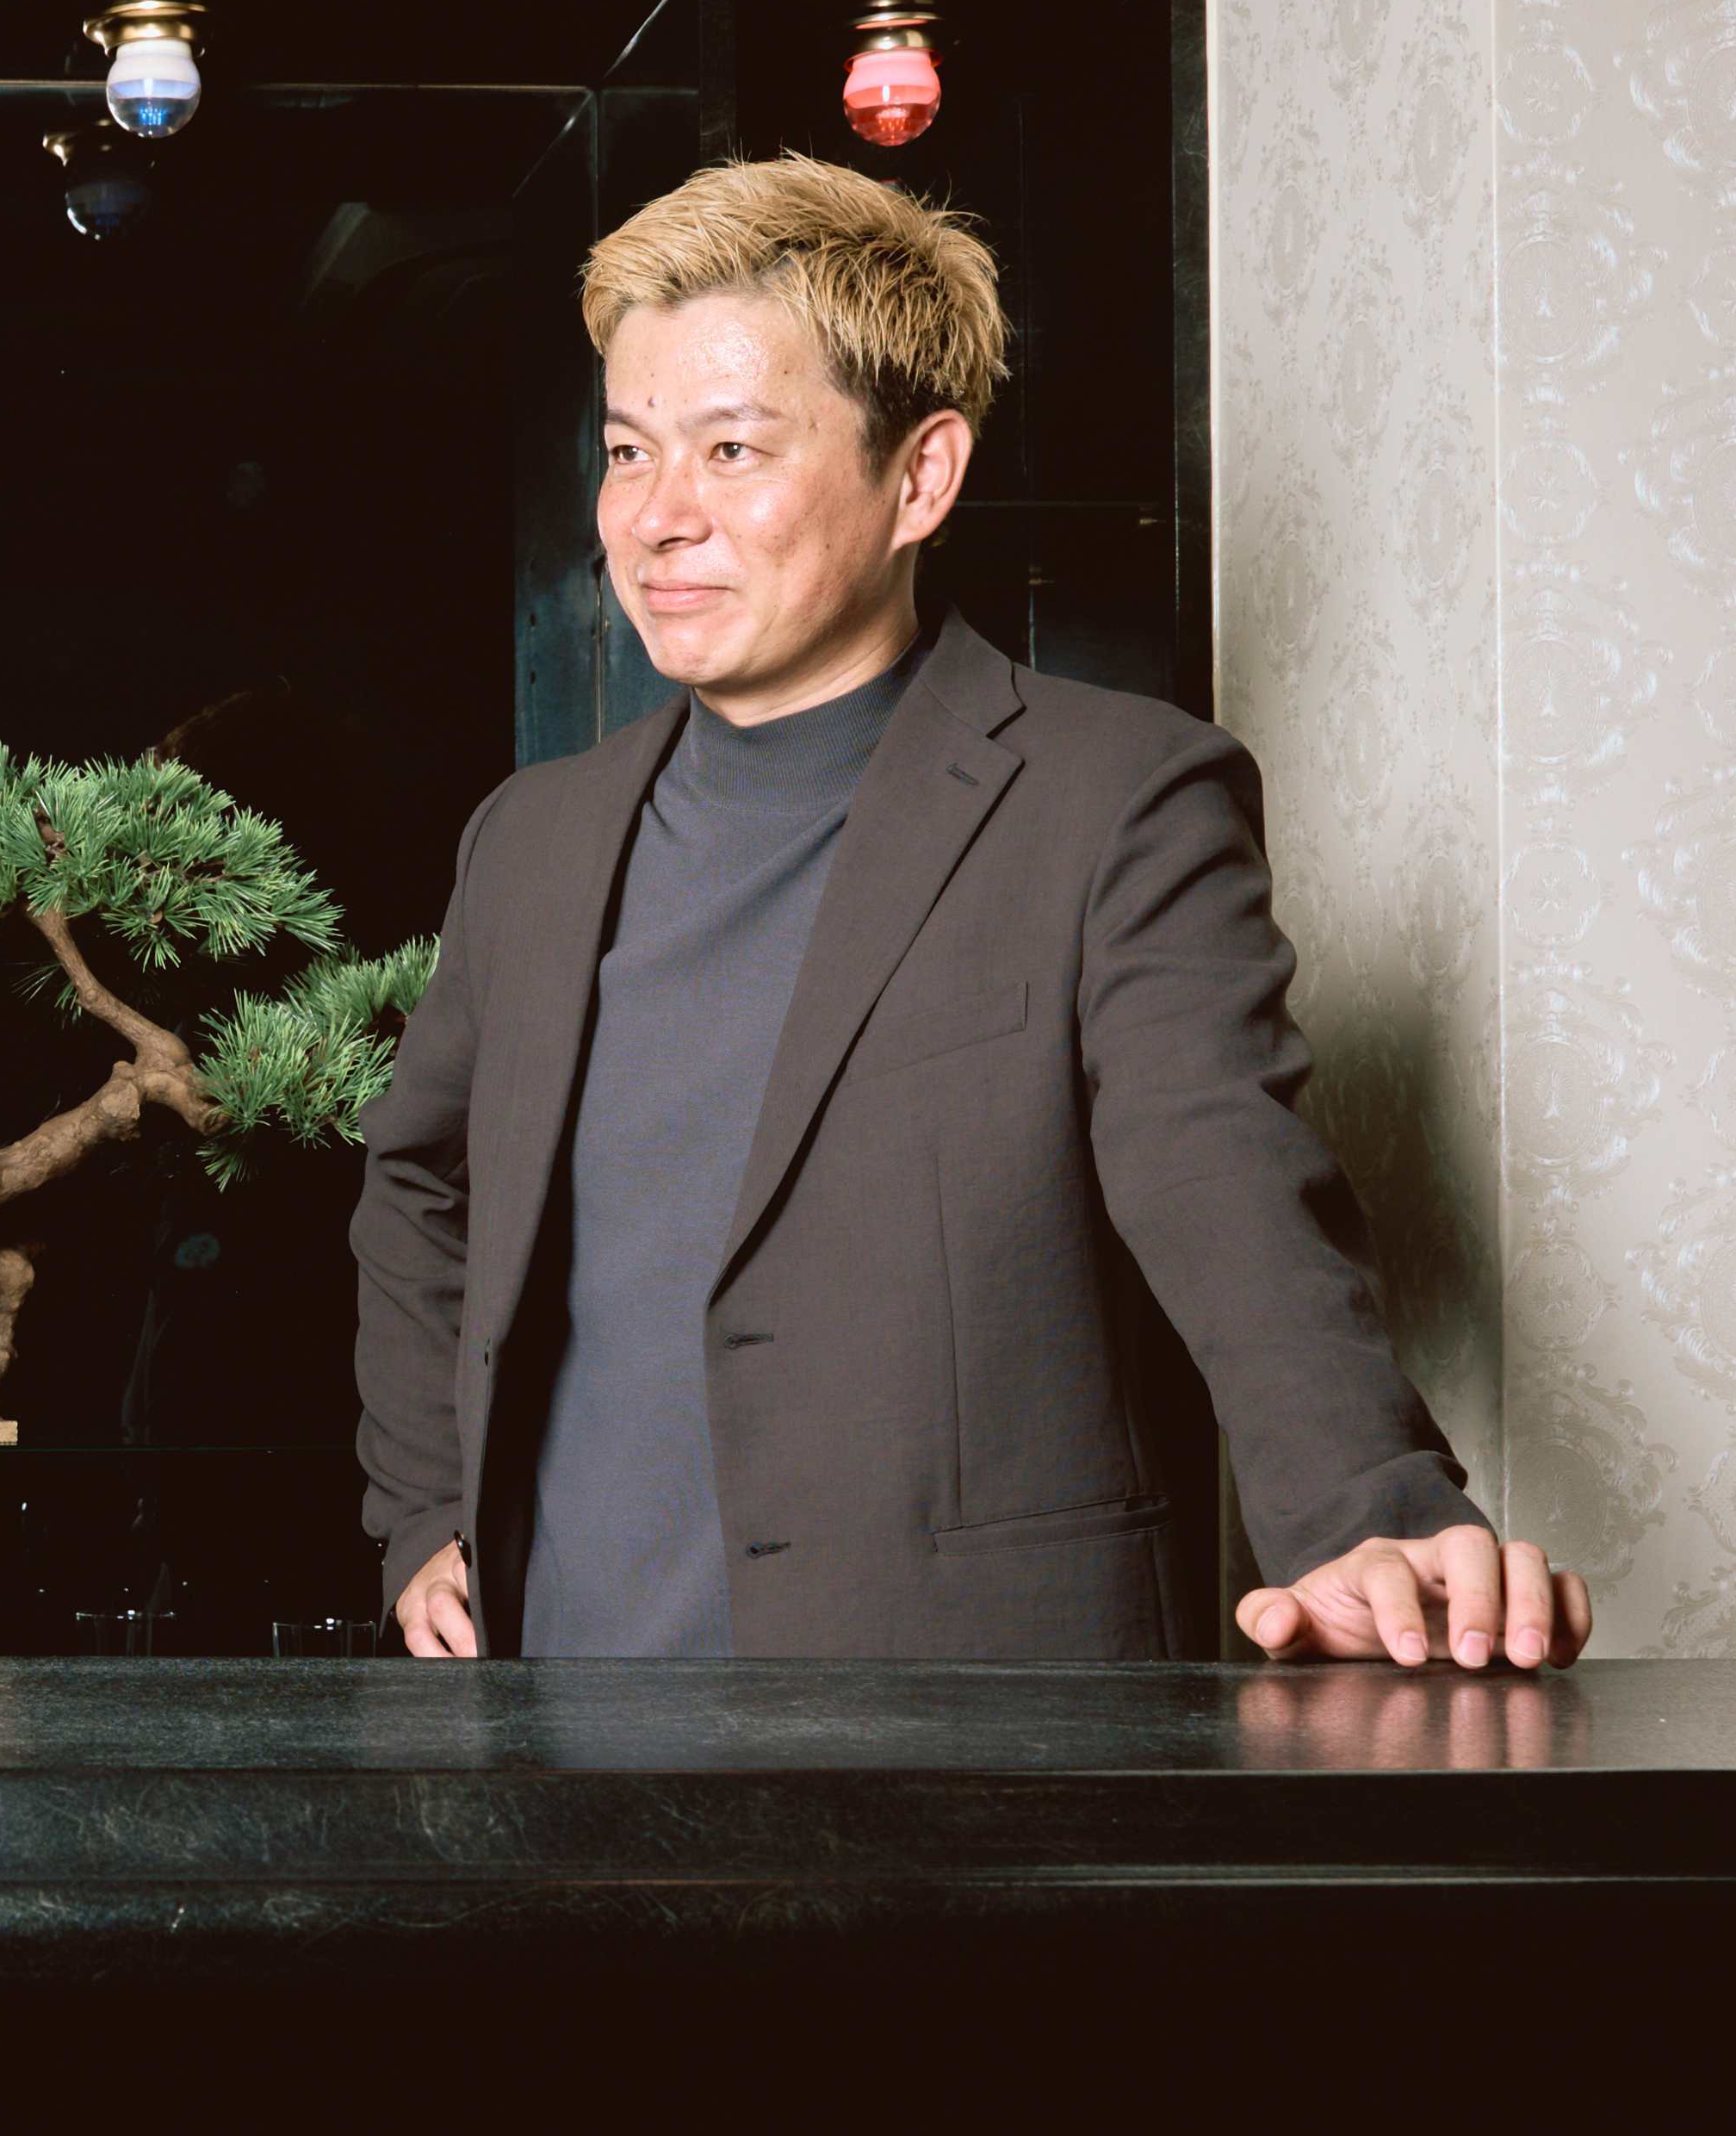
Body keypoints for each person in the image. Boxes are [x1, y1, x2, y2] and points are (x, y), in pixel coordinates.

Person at [351, 157, 1585, 1669]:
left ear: (922, 477)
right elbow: (419, 1186)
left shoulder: (1118, 800)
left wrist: (1365, 1509)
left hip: (970, 1707)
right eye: (626, 451)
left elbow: (1223, 1179)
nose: (656, 517)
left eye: (732, 450)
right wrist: (425, 1507)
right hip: (568, 1705)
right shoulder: (531, 838)